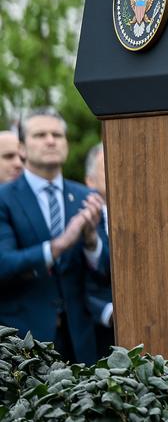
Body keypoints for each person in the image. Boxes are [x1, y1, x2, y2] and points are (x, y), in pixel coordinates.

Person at [0, 108, 109, 364]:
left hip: (81, 341)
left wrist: (92, 242)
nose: (51, 140)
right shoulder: (5, 198)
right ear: (23, 149)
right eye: (40, 135)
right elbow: (4, 264)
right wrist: (58, 246)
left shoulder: (85, 197)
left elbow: (106, 273)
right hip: (24, 342)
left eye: (57, 135)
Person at [84, 143, 115, 359]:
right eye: (107, 164)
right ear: (90, 181)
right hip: (97, 332)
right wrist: (108, 311)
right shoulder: (80, 218)